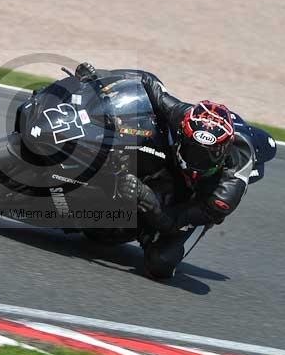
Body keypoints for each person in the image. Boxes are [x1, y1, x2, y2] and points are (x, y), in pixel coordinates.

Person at [74, 62, 255, 279]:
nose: (198, 159)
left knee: (160, 264)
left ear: (224, 151)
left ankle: (140, 230)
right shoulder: (183, 117)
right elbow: (148, 81)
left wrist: (143, 195)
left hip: (200, 201)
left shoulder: (224, 194)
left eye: (207, 154)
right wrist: (99, 82)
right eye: (193, 150)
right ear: (184, 133)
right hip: (177, 164)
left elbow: (174, 222)